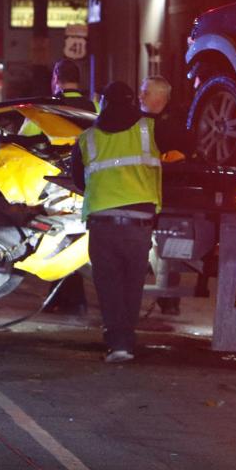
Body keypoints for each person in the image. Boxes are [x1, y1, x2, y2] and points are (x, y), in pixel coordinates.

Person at [71, 81, 162, 363]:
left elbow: (78, 179)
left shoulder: (88, 138)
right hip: (139, 224)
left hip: (102, 223)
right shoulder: (149, 129)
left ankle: (118, 344)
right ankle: (126, 342)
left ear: (103, 103)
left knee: (109, 285)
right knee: (132, 284)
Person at [36, 59, 96, 316]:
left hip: (59, 183)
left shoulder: (50, 106)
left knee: (58, 238)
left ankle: (64, 298)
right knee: (75, 238)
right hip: (86, 182)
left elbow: (28, 136)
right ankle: (69, 297)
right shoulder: (93, 106)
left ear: (56, 78)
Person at [139, 75, 190, 316]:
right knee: (157, 249)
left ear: (160, 96)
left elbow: (175, 156)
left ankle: (168, 298)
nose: (141, 96)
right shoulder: (147, 121)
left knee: (167, 247)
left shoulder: (173, 124)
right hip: (153, 193)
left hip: (169, 194)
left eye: (145, 92)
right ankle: (165, 298)